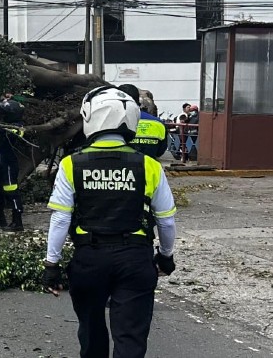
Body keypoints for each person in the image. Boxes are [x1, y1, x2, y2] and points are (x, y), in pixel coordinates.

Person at [42, 87, 177, 358]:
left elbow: (60, 219)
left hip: (89, 259)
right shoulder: (149, 166)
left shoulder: (71, 164)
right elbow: (166, 221)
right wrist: (165, 257)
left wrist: (51, 265)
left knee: (91, 333)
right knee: (130, 337)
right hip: (135, 259)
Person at [0, 94, 25, 231]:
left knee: (11, 192)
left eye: (2, 115)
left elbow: (10, 136)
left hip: (8, 165)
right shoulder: (0, 128)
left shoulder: (17, 128)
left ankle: (17, 222)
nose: (0, 117)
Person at [117, 84, 167, 159]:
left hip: (122, 165)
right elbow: (161, 151)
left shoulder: (114, 122)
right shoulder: (159, 123)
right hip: (149, 164)